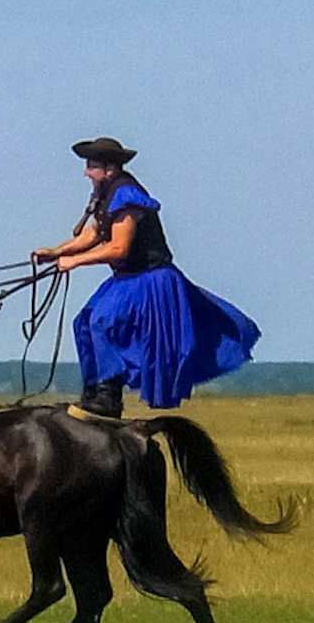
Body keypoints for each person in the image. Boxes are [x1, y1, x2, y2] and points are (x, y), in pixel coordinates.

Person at [31, 136, 260, 418]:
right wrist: (56, 252)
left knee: (103, 321)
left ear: (109, 168)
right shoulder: (105, 194)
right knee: (83, 322)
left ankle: (108, 396)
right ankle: (93, 389)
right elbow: (93, 234)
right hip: (127, 278)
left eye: (91, 166)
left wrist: (75, 262)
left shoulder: (126, 196)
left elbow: (118, 248)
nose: (86, 173)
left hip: (149, 278)